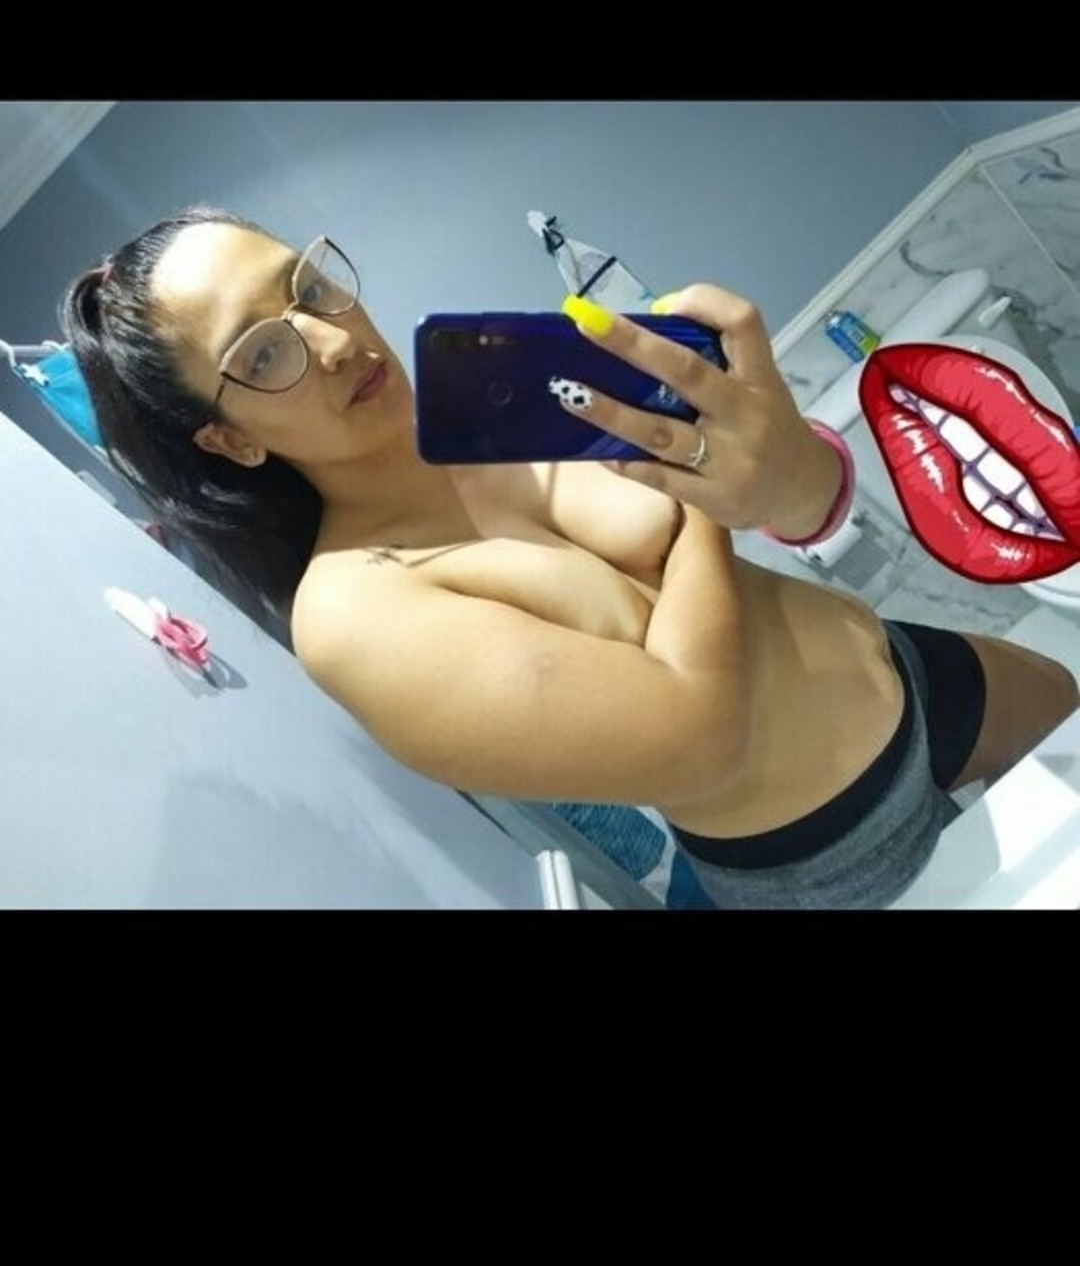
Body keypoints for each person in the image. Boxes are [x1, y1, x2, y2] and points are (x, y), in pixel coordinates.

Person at [61, 205, 1080, 910]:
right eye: (263, 353)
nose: (330, 340)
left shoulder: (490, 396)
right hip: (831, 850)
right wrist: (702, 493)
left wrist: (777, 472)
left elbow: (796, 496)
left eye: (309, 287)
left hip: (912, 671)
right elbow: (696, 740)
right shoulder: (352, 608)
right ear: (231, 440)